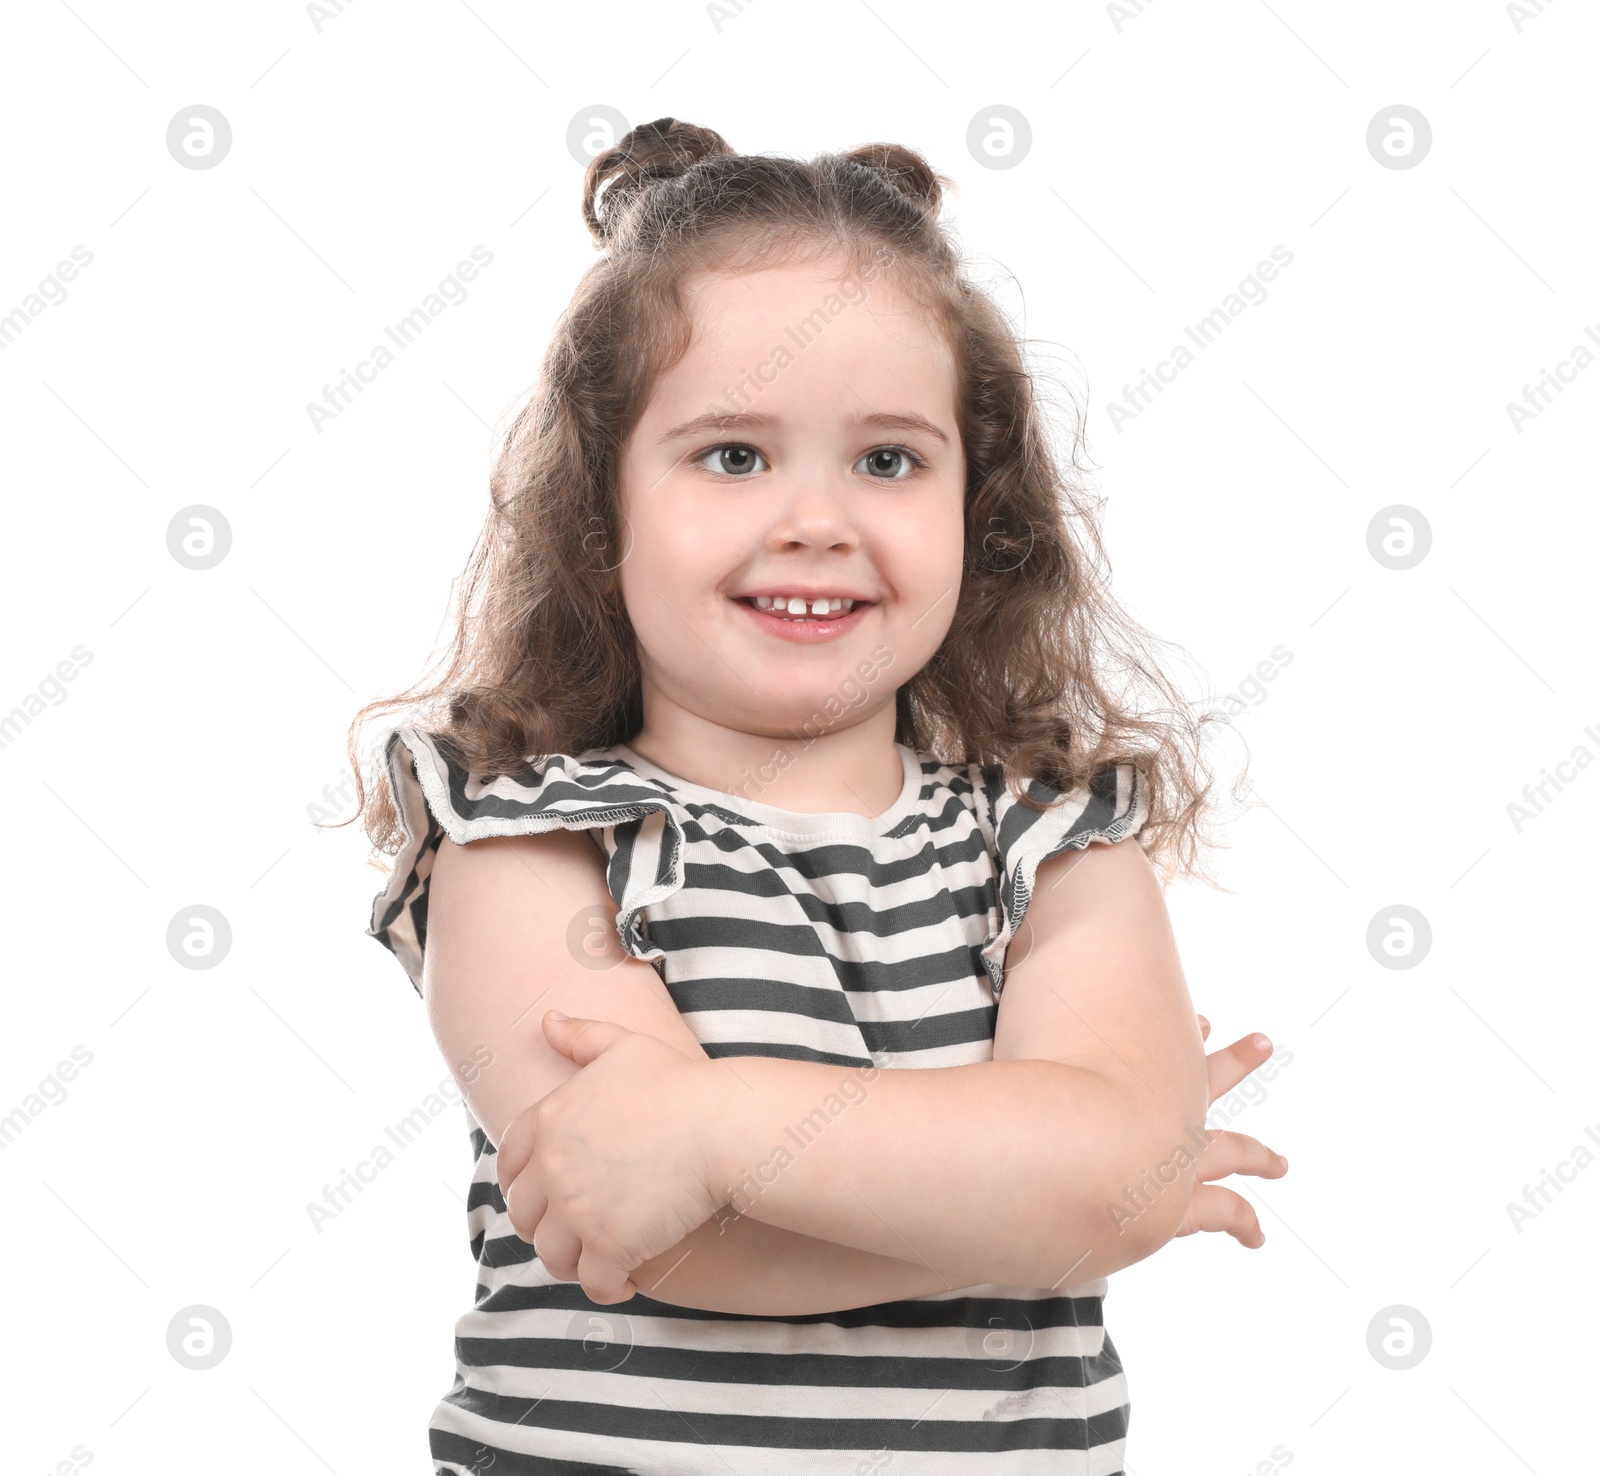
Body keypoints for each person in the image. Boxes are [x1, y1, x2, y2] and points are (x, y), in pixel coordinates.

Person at [347, 117, 1287, 1476]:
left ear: (983, 510)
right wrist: (1046, 1194)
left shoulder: (1056, 844)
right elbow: (653, 1235)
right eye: (734, 456)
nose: (817, 520)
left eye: (889, 461)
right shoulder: (530, 844)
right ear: (603, 518)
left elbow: (1109, 1181)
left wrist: (713, 1124)